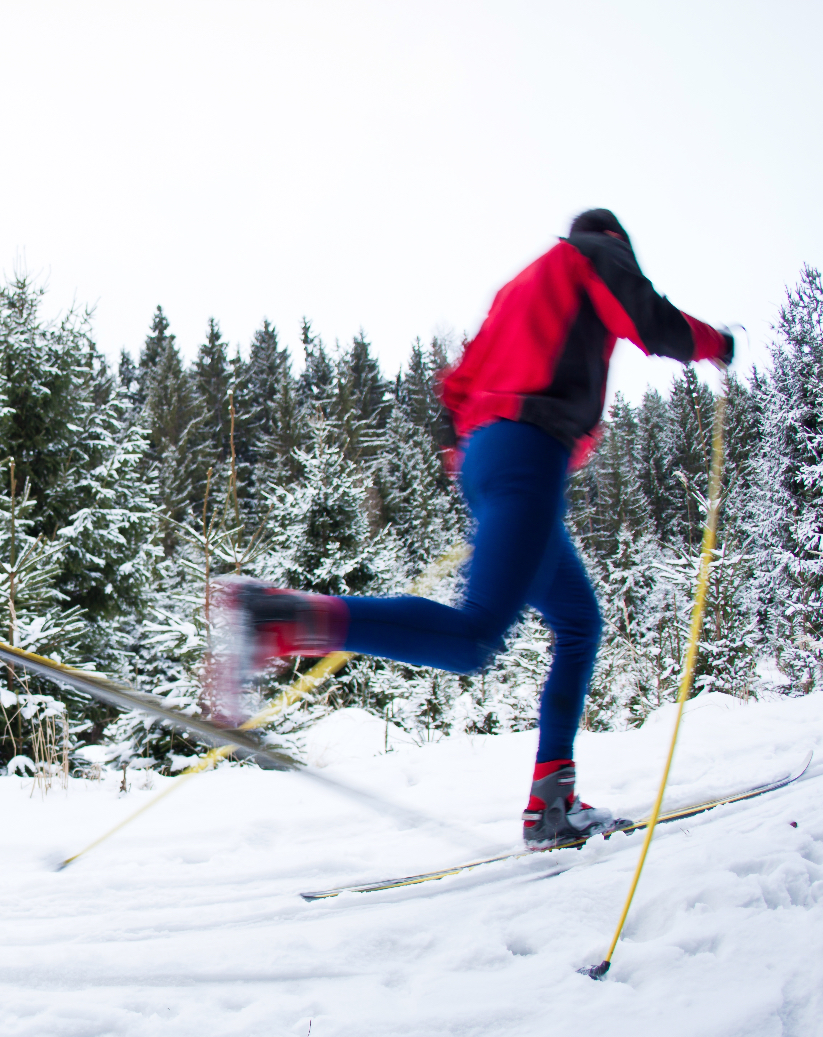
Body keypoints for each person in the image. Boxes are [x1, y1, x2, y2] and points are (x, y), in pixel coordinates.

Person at [214, 208, 733, 849]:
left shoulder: (518, 289)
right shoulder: (593, 255)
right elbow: (652, 322)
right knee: (475, 638)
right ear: (613, 240)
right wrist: (718, 345)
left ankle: (553, 802)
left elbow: (456, 389)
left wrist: (484, 474)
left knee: (577, 621)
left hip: (492, 459)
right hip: (528, 454)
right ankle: (279, 616)